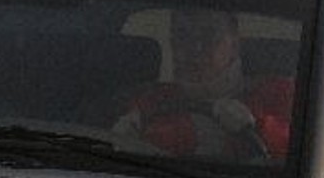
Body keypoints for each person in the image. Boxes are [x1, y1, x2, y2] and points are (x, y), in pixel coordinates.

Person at [112, 9, 293, 160]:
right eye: (182, 36)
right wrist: (120, 140)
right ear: (172, 43)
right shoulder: (153, 99)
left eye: (209, 35)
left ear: (235, 43)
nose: (195, 48)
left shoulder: (279, 93)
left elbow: (298, 154)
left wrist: (257, 127)